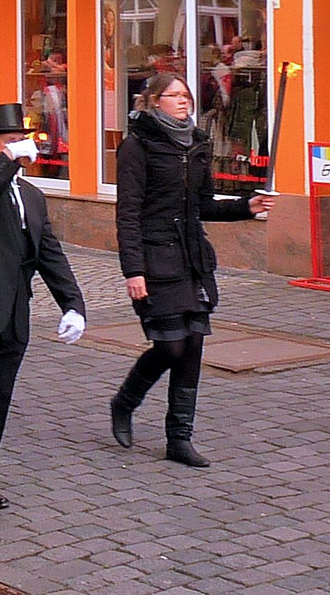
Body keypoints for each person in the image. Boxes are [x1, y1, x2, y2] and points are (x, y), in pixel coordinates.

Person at [110, 74, 273, 468]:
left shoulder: (197, 143)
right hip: (154, 256)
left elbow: (202, 204)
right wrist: (134, 269)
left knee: (193, 345)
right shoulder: (137, 146)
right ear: (154, 101)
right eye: (176, 95)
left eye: (187, 95)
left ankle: (179, 438)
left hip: (191, 257)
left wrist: (244, 208)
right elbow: (128, 213)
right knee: (171, 345)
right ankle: (125, 401)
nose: (185, 101)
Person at [0, 103, 86, 523]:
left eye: (22, 140)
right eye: (10, 141)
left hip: (12, 313)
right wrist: (5, 161)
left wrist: (73, 304)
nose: (21, 147)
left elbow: (50, 254)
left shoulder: (33, 196)